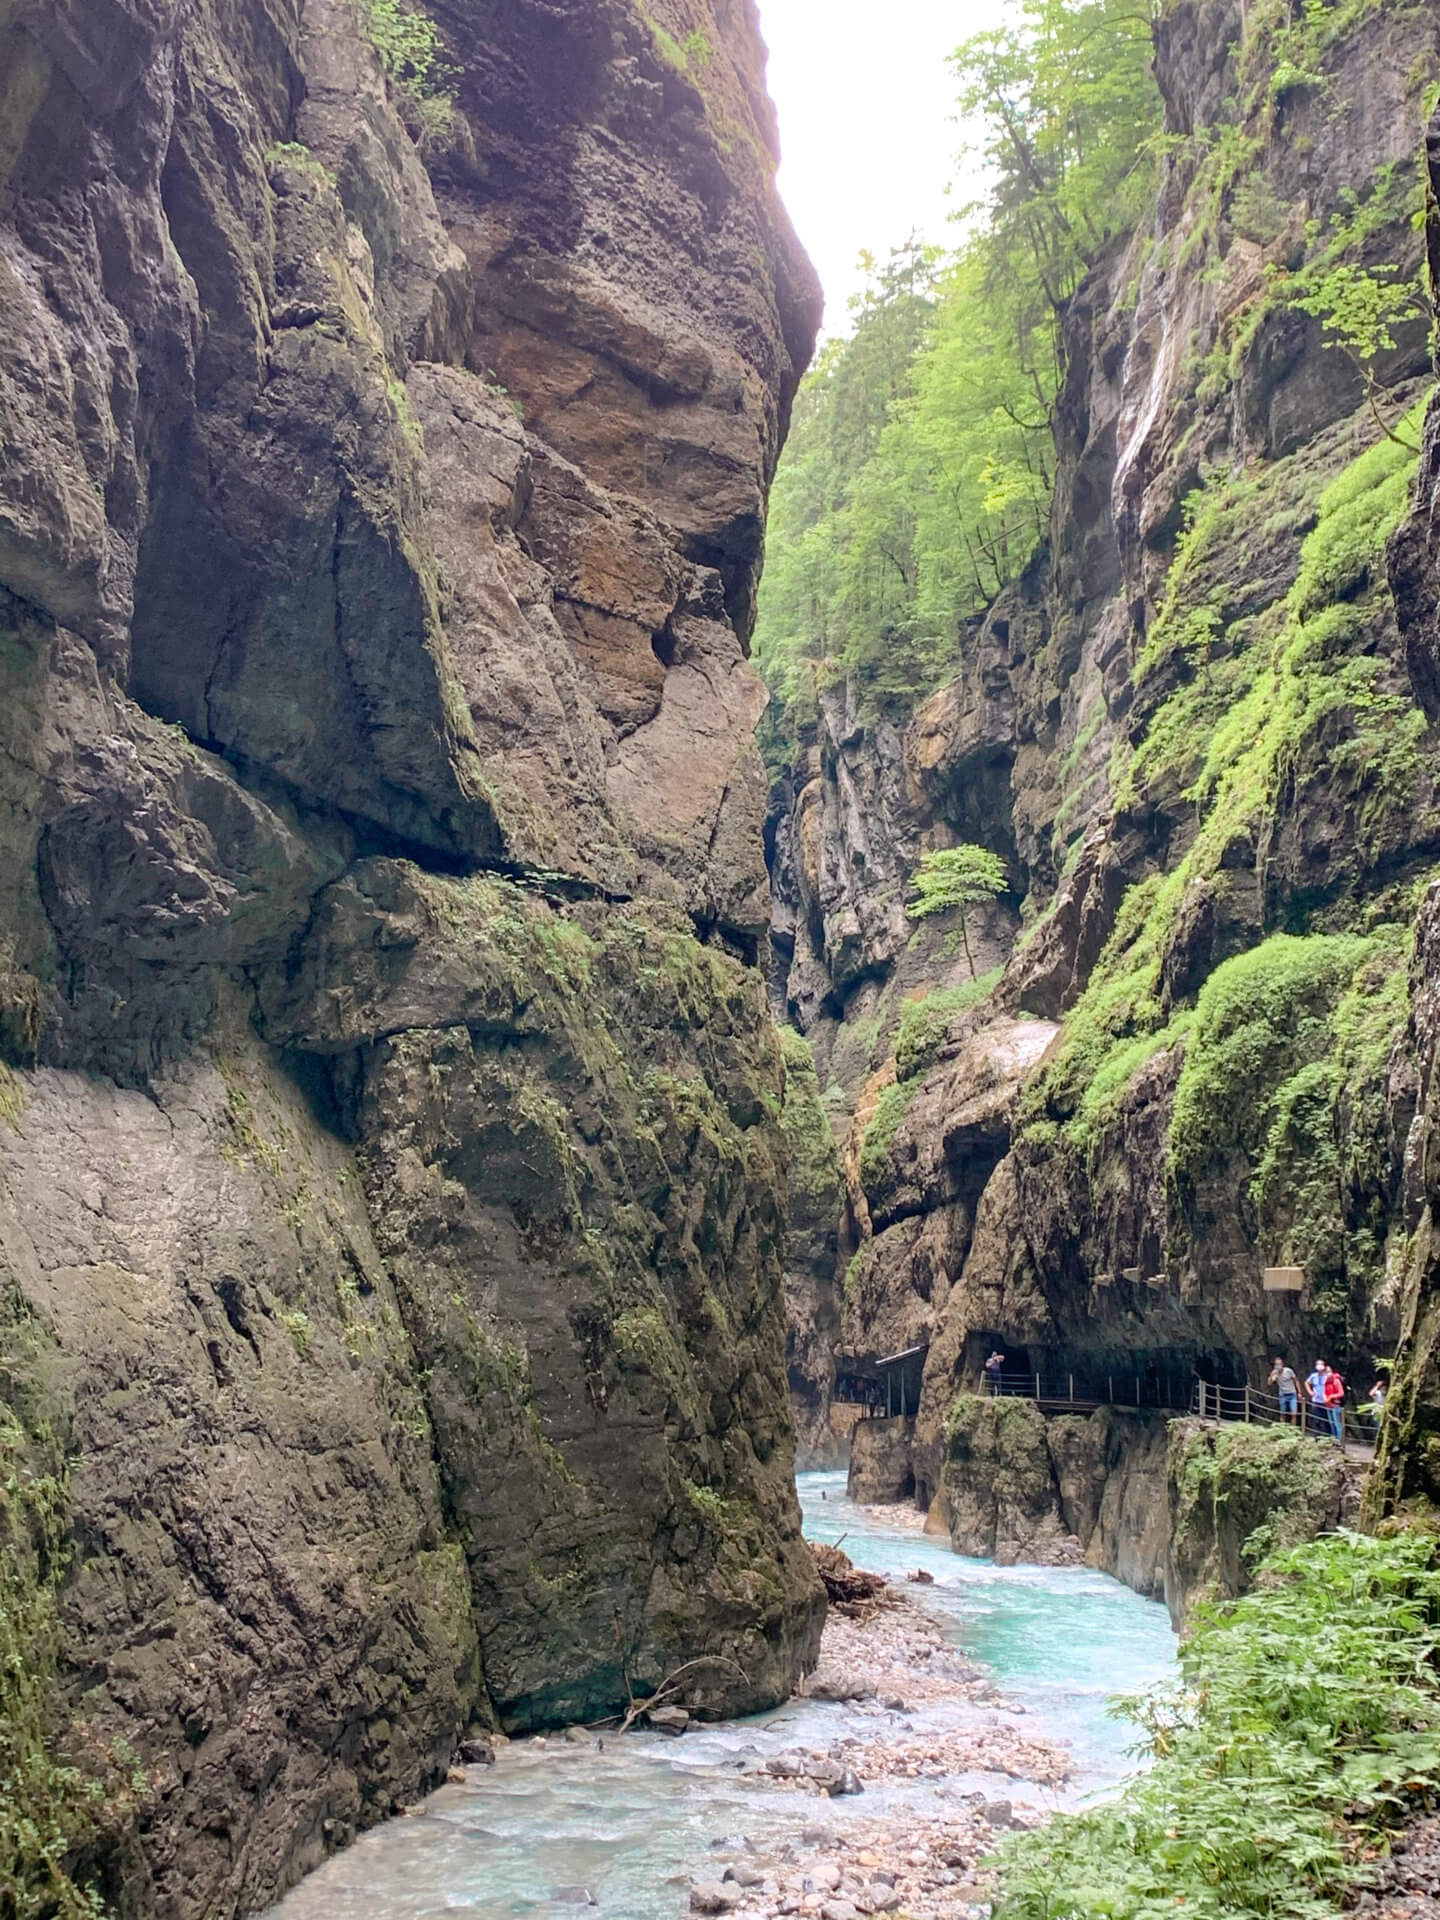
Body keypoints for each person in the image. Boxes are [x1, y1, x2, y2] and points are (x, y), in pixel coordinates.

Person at [1268, 1357, 1301, 1426]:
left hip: (1292, 1394)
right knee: (1282, 1413)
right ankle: (1282, 1429)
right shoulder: (1275, 1373)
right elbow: (1270, 1383)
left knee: (1294, 1413)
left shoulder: (1289, 1371)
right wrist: (1271, 1375)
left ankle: (1293, 1429)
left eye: (1279, 1364)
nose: (1278, 1366)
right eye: (1276, 1364)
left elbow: (1296, 1380)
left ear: (1282, 1364)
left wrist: (1299, 1392)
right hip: (1283, 1395)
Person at [1305, 1360, 1332, 1438]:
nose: (1319, 1366)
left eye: (1321, 1364)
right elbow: (1306, 1382)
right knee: (1316, 1420)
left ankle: (1327, 1436)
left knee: (1326, 1419)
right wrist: (1310, 1391)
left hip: (1325, 1401)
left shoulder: (1327, 1376)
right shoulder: (1313, 1376)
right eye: (1318, 1364)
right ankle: (1317, 1436)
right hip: (1316, 1400)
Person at [1324, 1363, 1346, 1443]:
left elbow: (1341, 1393)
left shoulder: (1336, 1380)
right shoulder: (1325, 1382)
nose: (1328, 1373)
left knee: (1337, 1424)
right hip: (1328, 1405)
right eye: (1326, 1371)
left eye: (1329, 1371)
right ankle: (1333, 1440)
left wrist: (1331, 1397)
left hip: (1335, 1405)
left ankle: (1340, 1441)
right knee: (1331, 1424)